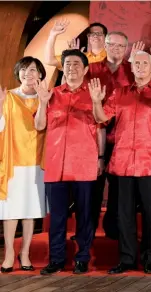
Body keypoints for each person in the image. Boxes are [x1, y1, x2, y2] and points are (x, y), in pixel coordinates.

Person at [89, 50, 151, 274]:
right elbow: (102, 118)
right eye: (136, 63)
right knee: (124, 216)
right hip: (122, 163)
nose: (140, 66)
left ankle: (150, 259)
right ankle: (127, 259)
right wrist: (95, 102)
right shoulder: (119, 93)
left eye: (144, 63)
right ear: (131, 67)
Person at [35, 49, 104, 275]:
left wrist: (100, 158)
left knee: (85, 214)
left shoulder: (94, 94)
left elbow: (100, 125)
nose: (72, 67)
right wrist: (43, 103)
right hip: (56, 164)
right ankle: (56, 259)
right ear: (63, 68)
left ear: (85, 69)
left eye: (76, 64)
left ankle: (82, 258)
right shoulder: (51, 94)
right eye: (68, 64)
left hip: (84, 163)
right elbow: (39, 126)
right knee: (57, 216)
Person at [0, 57, 48, 273]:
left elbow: (43, 127)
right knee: (11, 210)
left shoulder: (45, 97)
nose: (29, 74)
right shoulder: (8, 96)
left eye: (34, 70)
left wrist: (44, 101)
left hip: (37, 161)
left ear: (40, 74)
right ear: (18, 73)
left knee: (30, 209)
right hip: (12, 160)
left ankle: (25, 253)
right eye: (25, 70)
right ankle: (9, 253)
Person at [88, 31, 135, 239]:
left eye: (120, 46)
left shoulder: (133, 71)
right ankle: (88, 227)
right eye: (112, 45)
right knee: (93, 184)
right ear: (105, 45)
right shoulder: (92, 70)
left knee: (118, 186)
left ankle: (113, 227)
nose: (116, 49)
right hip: (94, 134)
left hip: (122, 136)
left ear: (126, 49)